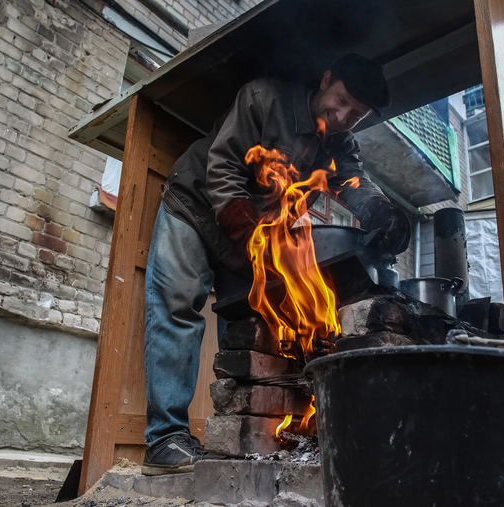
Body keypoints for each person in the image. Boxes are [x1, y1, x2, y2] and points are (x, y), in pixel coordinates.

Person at [142, 54, 411, 475]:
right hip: (195, 208)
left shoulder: (338, 141)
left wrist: (382, 211)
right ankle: (165, 439)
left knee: (247, 331)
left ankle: (228, 437)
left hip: (253, 240)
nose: (342, 116)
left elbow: (354, 180)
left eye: (355, 114)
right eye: (340, 100)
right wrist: (253, 236)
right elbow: (223, 168)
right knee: (178, 309)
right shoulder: (262, 98)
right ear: (325, 79)